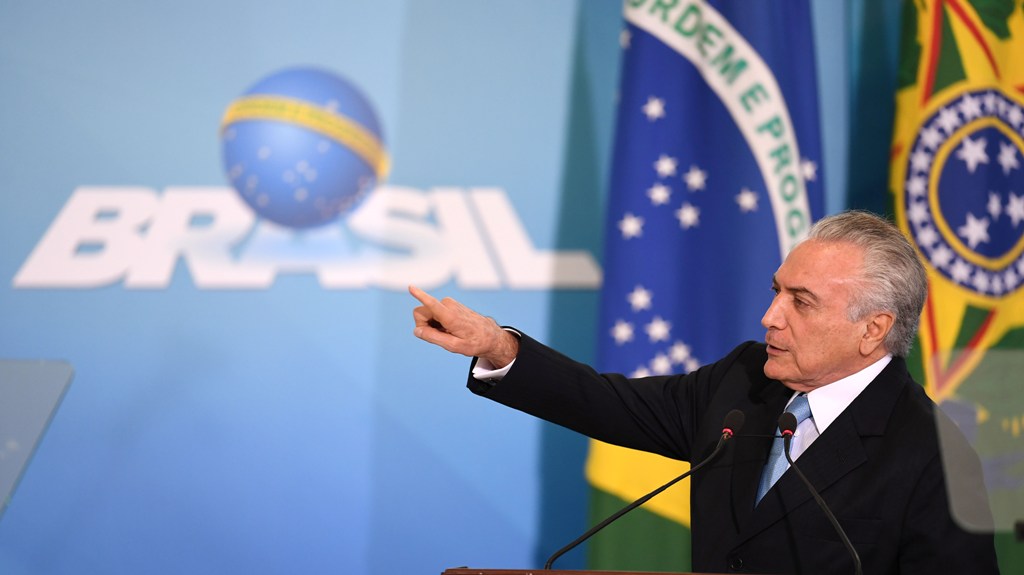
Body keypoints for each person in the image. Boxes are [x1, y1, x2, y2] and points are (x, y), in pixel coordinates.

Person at [410, 211, 998, 574]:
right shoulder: (744, 382)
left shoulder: (934, 457)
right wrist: (499, 347)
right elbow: (608, 403)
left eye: (802, 302)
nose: (770, 317)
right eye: (777, 292)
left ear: (873, 329)